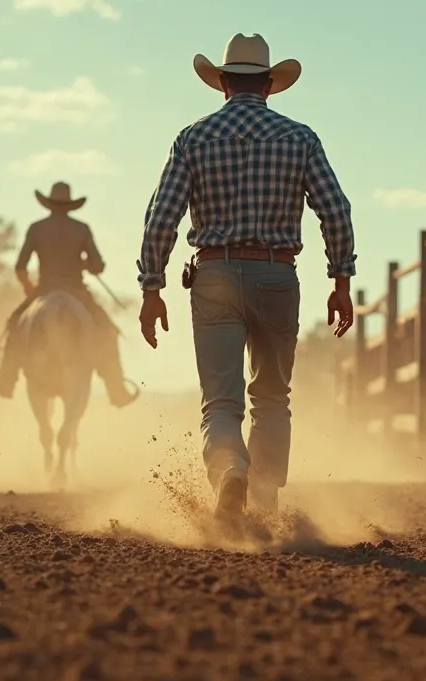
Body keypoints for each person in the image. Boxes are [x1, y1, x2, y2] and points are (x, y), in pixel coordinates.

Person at [137, 33, 356, 519]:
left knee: (220, 400)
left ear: (222, 83)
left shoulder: (193, 137)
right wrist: (341, 282)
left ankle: (231, 467)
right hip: (278, 276)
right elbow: (335, 211)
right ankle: (264, 500)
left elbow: (161, 218)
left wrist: (152, 287)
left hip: (213, 273)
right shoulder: (299, 137)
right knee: (273, 398)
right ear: (270, 85)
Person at [0, 181, 137, 408]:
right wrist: (86, 263)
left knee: (14, 325)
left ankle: (6, 381)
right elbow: (99, 266)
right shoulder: (82, 229)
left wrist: (29, 288)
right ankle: (117, 390)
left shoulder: (36, 228)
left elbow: (20, 267)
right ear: (70, 205)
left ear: (49, 204)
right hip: (76, 292)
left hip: (44, 289)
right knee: (107, 331)